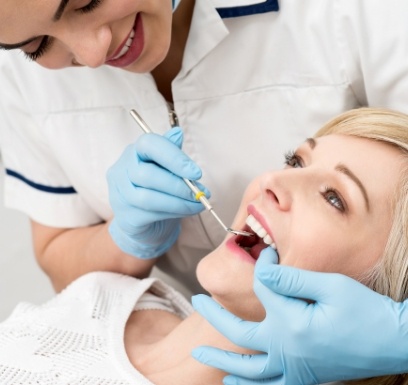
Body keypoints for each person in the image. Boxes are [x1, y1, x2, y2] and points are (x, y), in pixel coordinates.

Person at [2, 0, 408, 381]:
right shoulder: (81, 317)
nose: (92, 55)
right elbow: (58, 248)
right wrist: (122, 240)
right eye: (36, 46)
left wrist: (400, 339)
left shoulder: (363, 13)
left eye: (87, 2)